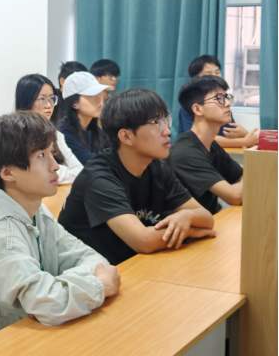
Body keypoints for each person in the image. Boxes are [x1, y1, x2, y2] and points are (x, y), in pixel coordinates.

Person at [0, 111, 121, 356]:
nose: (55, 166)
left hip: (17, 332)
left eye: (52, 153)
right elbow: (46, 302)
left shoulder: (33, 208)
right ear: (8, 172)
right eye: (42, 155)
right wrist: (98, 286)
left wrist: (58, 291)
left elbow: (90, 259)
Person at [58, 89, 216, 266]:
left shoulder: (157, 168)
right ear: (126, 136)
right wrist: (189, 231)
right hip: (87, 274)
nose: (167, 131)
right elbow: (144, 241)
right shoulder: (100, 177)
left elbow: (207, 218)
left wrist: (188, 216)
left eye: (166, 120)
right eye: (156, 123)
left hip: (130, 264)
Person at [168, 76, 244, 215]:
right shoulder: (185, 152)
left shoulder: (211, 145)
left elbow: (242, 176)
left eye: (227, 97)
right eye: (219, 98)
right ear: (197, 109)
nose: (228, 103)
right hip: (189, 225)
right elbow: (234, 196)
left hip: (211, 218)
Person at [15, 74, 83, 185]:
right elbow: (33, 175)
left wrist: (53, 174)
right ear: (26, 101)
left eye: (51, 99)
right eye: (42, 99)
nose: (49, 105)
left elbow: (80, 171)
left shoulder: (56, 134)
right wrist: (63, 171)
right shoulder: (16, 135)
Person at [179, 55, 258, 148]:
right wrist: (244, 141)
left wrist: (245, 134)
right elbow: (198, 138)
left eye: (217, 72)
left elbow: (231, 132)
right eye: (208, 74)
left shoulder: (224, 104)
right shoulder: (192, 105)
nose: (215, 76)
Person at [58, 72, 112, 165]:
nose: (99, 99)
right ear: (74, 103)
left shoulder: (97, 131)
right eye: (91, 94)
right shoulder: (62, 131)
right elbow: (86, 160)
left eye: (99, 92)